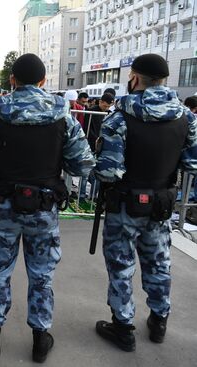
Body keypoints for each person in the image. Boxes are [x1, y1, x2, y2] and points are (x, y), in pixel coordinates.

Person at [0, 53, 94, 362]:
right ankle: (40, 339)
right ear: (43, 81)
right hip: (44, 207)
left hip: (5, 206)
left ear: (12, 80)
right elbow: (83, 164)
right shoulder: (64, 115)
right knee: (42, 275)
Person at [94, 53, 197, 352]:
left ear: (135, 78)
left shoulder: (120, 116)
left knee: (121, 266)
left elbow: (108, 171)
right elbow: (192, 164)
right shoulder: (186, 117)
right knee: (158, 263)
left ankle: (123, 327)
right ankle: (158, 321)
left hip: (125, 205)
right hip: (162, 204)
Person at [78, 92, 115, 201]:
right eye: (105, 105)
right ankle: (81, 196)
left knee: (98, 175)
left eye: (109, 106)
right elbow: (87, 129)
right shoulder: (91, 111)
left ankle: (93, 197)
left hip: (102, 147)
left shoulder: (109, 114)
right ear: (100, 101)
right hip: (89, 146)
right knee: (85, 174)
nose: (106, 108)